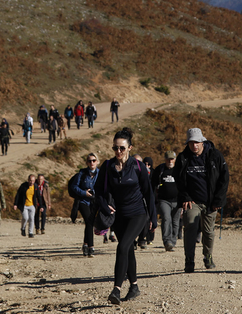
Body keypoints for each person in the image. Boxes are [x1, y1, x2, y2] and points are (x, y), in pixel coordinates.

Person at [95, 127, 156, 305]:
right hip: (118, 216)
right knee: (128, 250)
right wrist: (104, 205)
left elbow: (149, 193)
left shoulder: (138, 167)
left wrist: (153, 218)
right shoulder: (107, 166)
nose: (118, 151)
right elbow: (98, 190)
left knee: (122, 247)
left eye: (122, 148)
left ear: (129, 147)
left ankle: (116, 289)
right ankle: (134, 286)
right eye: (115, 148)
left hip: (137, 214)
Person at [175, 128, 229, 273]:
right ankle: (189, 260)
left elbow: (224, 179)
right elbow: (178, 180)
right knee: (190, 229)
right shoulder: (183, 158)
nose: (195, 146)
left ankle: (208, 256)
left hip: (211, 202)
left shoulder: (215, 155)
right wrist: (185, 197)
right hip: (192, 202)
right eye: (191, 142)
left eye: (197, 142)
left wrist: (218, 200)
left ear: (202, 141)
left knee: (208, 232)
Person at [69, 153, 100, 257]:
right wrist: (84, 193)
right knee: (89, 221)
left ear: (97, 162)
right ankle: (91, 247)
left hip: (94, 202)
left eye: (94, 160)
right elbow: (74, 187)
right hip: (83, 201)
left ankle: (85, 244)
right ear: (87, 162)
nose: (92, 162)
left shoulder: (101, 174)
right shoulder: (82, 173)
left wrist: (94, 192)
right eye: (89, 161)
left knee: (89, 223)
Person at [153, 151, 181, 251]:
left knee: (175, 222)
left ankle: (173, 241)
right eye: (168, 159)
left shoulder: (179, 169)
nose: (170, 161)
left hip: (177, 201)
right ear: (165, 159)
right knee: (166, 218)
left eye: (172, 159)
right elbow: (153, 184)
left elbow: (184, 185)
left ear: (175, 159)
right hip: (164, 200)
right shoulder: (160, 170)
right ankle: (167, 241)